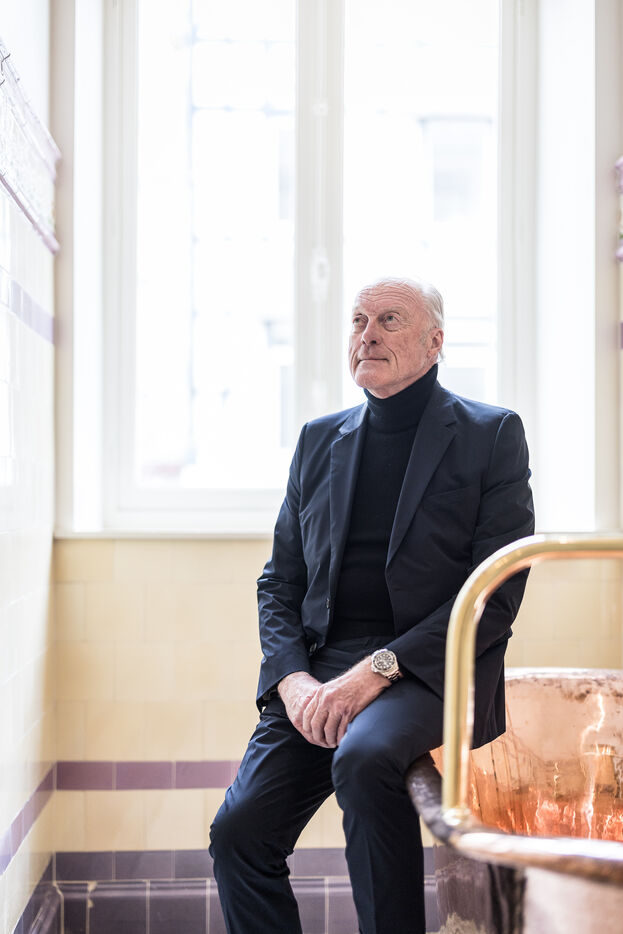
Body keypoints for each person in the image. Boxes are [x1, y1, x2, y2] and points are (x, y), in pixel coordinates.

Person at [209, 276, 534, 934]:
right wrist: (293, 679)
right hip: (319, 668)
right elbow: (280, 581)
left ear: (434, 342)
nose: (367, 334)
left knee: (362, 759)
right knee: (238, 833)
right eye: (358, 321)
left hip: (431, 668)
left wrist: (377, 670)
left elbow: (494, 594)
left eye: (389, 319)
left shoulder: (491, 433)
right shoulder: (317, 439)